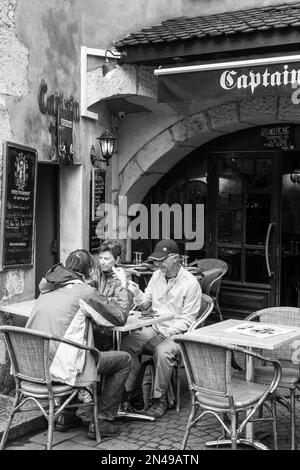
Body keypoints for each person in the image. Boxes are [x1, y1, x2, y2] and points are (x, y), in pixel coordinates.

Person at [26, 249, 133, 439]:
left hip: (32, 369)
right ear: (89, 271)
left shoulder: (47, 288)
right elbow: (118, 317)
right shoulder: (84, 293)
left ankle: (66, 416)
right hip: (61, 370)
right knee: (123, 360)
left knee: (76, 349)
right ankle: (102, 420)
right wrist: (124, 287)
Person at [121, 239, 202, 419]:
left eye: (161, 260)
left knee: (162, 351)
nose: (157, 264)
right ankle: (128, 393)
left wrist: (165, 334)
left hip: (178, 334)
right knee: (126, 344)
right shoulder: (157, 275)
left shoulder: (190, 283)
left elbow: (188, 320)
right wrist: (136, 293)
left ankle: (160, 400)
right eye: (156, 260)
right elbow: (146, 305)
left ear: (175, 259)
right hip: (155, 327)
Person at [93, 239, 131, 350]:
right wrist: (107, 300)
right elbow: (88, 295)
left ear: (117, 259)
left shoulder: (124, 276)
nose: (102, 262)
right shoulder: (95, 272)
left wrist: (101, 300)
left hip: (113, 327)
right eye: (100, 258)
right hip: (96, 326)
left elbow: (122, 305)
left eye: (107, 258)